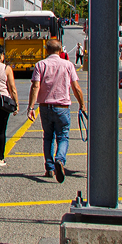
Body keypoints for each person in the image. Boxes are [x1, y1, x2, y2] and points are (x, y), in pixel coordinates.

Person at [26, 37, 85, 183]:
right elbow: (76, 87)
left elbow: (35, 86)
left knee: (48, 137)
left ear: (47, 50)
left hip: (45, 107)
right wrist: (82, 104)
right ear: (60, 50)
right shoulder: (68, 65)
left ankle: (49, 168)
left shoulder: (40, 65)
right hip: (62, 107)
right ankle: (60, 159)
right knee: (63, 136)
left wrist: (31, 107)